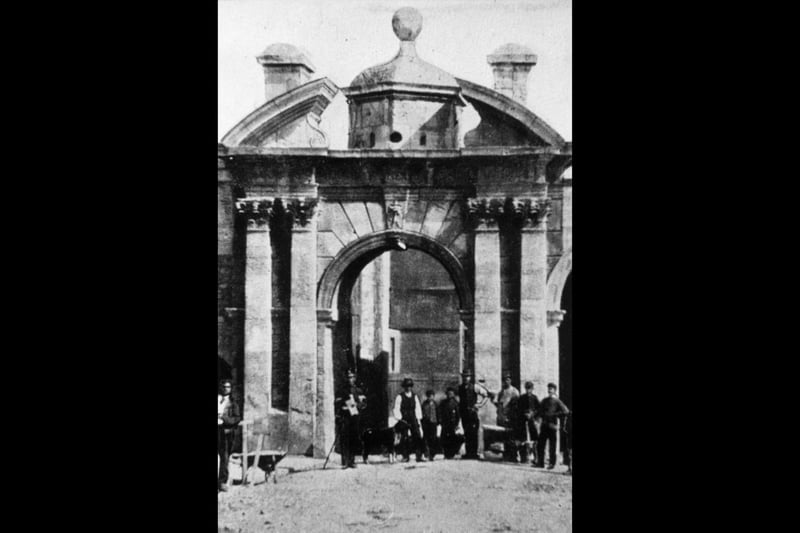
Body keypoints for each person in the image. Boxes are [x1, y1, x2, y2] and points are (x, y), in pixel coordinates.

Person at [335, 369, 366, 469]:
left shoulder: (358, 390)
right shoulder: (341, 390)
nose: (350, 379)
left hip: (355, 417)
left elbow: (364, 403)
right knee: (344, 438)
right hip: (345, 417)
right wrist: (342, 407)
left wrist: (358, 405)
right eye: (348, 377)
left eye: (352, 377)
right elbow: (337, 402)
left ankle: (352, 461)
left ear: (355, 378)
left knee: (353, 438)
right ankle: (345, 461)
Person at [458, 370, 492, 459]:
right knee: (466, 433)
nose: (466, 378)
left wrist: (479, 404)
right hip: (464, 414)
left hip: (473, 414)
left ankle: (474, 453)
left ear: (470, 377)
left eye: (467, 376)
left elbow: (486, 395)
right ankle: (468, 453)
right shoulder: (460, 388)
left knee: (473, 433)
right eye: (464, 377)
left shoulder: (475, 387)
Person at [536, 383, 570, 469]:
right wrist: (538, 416)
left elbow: (566, 411)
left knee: (552, 445)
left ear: (555, 390)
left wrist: (556, 414)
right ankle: (540, 463)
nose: (549, 390)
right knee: (540, 444)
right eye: (548, 389)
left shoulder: (557, 401)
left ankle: (552, 463)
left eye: (551, 389)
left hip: (552, 425)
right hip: (544, 425)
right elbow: (539, 410)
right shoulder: (544, 400)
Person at [393, 377, 426, 462]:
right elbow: (396, 409)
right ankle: (405, 456)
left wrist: (418, 419)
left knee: (417, 436)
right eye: (406, 386)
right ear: (404, 387)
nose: (408, 388)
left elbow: (418, 408)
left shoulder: (414, 396)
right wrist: (400, 418)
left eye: (410, 386)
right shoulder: (400, 397)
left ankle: (419, 455)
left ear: (411, 387)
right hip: (404, 419)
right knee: (404, 437)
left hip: (413, 418)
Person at [218, 379, 241, 492]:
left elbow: (236, 418)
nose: (225, 389)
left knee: (224, 457)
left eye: (228, 387)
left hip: (224, 432)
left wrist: (224, 418)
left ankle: (222, 482)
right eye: (223, 386)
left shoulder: (233, 402)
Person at [495, 373, 521, 462]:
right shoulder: (501, 392)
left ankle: (514, 456)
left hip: (511, 418)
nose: (506, 381)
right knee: (504, 437)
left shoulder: (515, 391)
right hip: (502, 417)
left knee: (512, 437)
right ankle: (506, 455)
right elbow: (499, 404)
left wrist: (511, 417)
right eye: (505, 380)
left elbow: (516, 406)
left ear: (511, 380)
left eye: (508, 379)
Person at [517, 381, 541, 465]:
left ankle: (535, 458)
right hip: (523, 421)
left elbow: (539, 409)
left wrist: (533, 414)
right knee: (523, 439)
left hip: (532, 421)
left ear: (532, 389)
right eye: (527, 389)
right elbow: (518, 409)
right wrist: (524, 414)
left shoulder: (535, 398)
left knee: (534, 439)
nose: (528, 391)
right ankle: (524, 457)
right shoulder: (521, 398)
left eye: (530, 389)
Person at [438, 387, 462, 459]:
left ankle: (451, 453)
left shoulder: (456, 403)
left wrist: (457, 424)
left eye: (451, 394)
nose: (449, 395)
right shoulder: (443, 403)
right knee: (444, 438)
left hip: (453, 423)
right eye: (448, 394)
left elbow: (458, 414)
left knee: (452, 438)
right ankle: (446, 453)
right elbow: (439, 412)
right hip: (445, 423)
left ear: (454, 394)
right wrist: (440, 420)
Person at [421, 390, 439, 461]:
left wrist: (438, 421)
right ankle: (426, 453)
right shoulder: (424, 404)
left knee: (433, 438)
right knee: (426, 438)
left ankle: (432, 454)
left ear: (433, 397)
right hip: (426, 423)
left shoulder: (435, 404)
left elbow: (438, 413)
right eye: (429, 396)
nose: (430, 398)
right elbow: (422, 413)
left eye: (431, 396)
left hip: (433, 423)